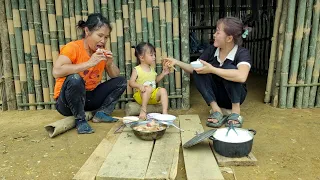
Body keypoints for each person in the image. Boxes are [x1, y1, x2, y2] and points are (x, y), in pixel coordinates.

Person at [163, 17, 251, 128]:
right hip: (217, 95)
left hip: (234, 97)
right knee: (198, 71)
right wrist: (176, 62)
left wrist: (212, 69)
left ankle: (235, 112)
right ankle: (216, 110)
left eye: (218, 32)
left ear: (229, 38)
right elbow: (193, 68)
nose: (214, 35)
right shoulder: (211, 50)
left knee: (229, 68)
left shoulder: (242, 53)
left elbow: (242, 76)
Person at [53, 13, 127, 134]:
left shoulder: (101, 53)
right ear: (87, 31)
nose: (103, 41)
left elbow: (115, 76)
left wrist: (109, 64)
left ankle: (102, 113)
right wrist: (89, 63)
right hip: (66, 103)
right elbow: (56, 71)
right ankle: (80, 120)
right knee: (75, 78)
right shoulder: (72, 47)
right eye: (100, 35)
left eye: (106, 37)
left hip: (88, 100)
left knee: (121, 81)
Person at [129, 42, 170, 120]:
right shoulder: (137, 69)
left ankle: (165, 113)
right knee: (147, 88)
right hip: (141, 96)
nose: (154, 57)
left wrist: (163, 73)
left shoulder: (152, 69)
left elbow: (155, 81)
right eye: (151, 55)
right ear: (141, 58)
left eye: (154, 55)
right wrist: (139, 86)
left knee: (163, 90)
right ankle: (143, 110)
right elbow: (131, 83)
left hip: (152, 96)